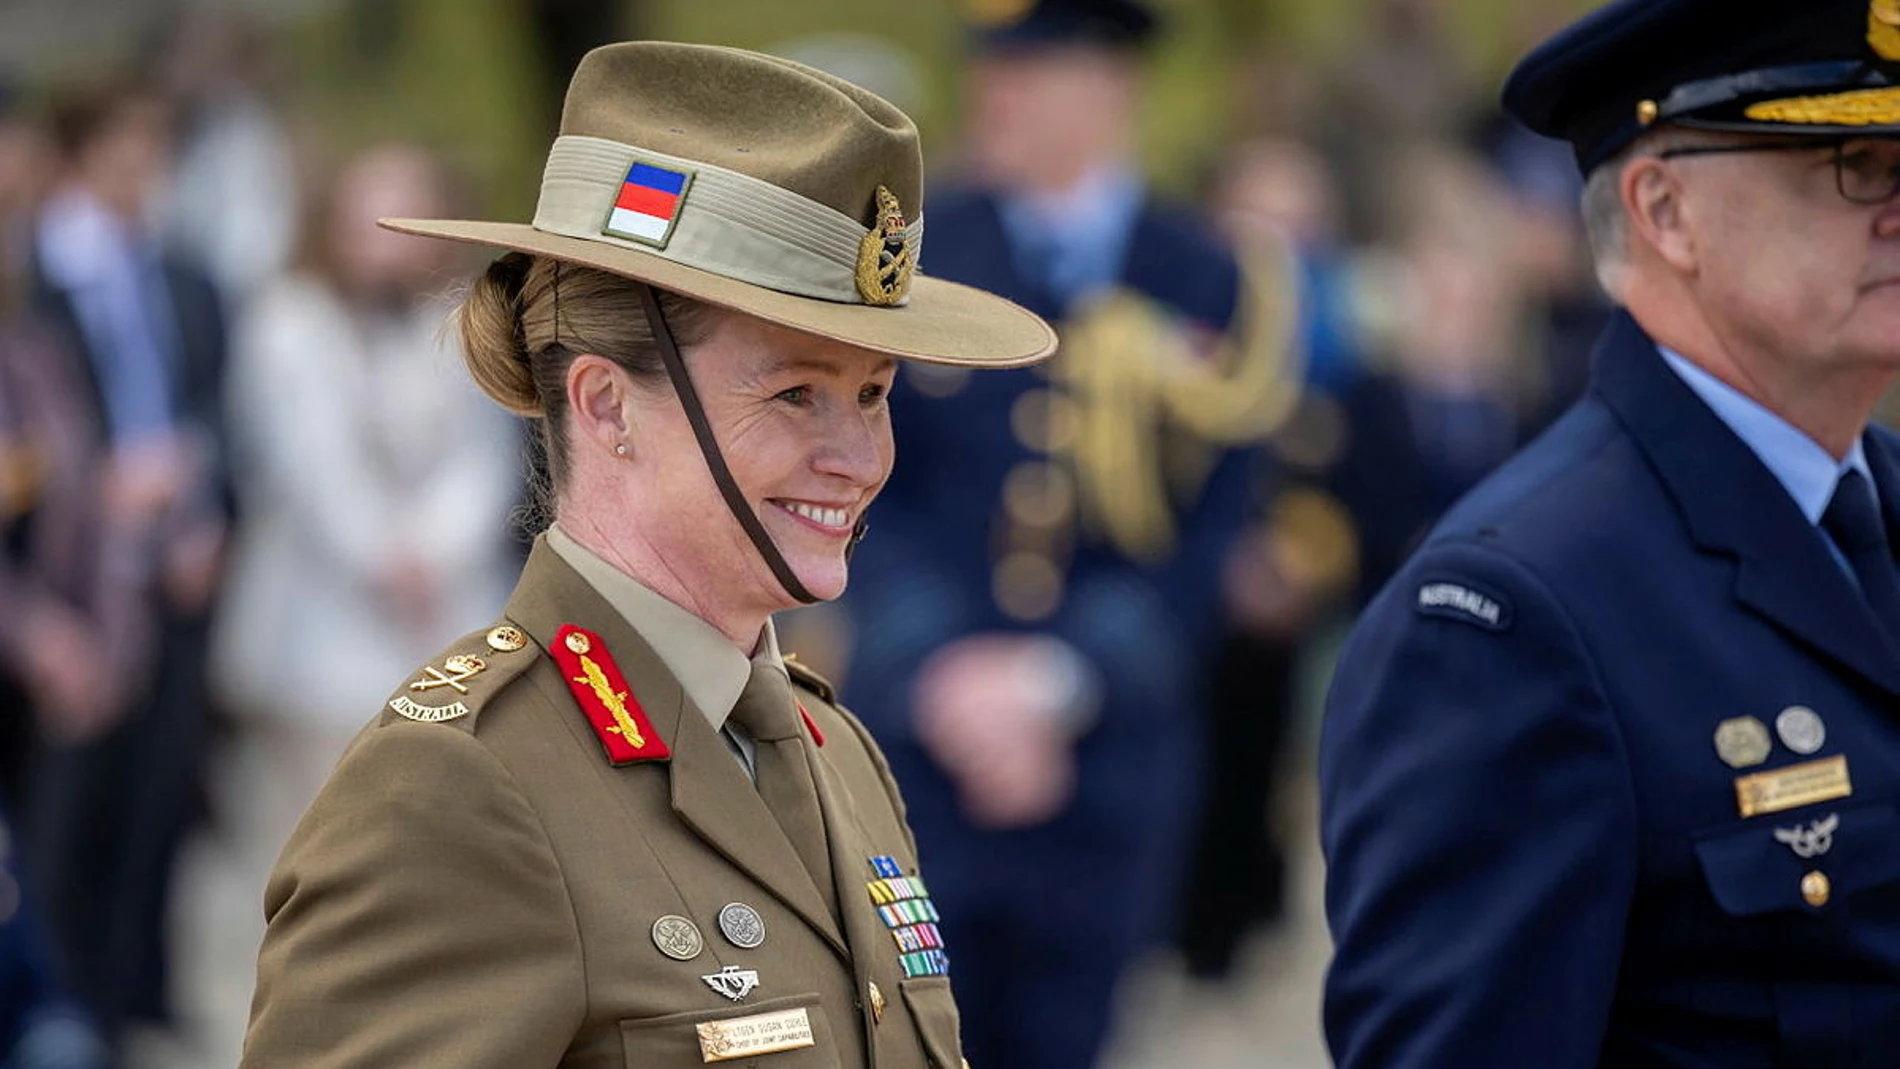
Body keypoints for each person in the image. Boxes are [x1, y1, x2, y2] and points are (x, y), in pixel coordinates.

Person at [239, 41, 1055, 1068]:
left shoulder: (833, 750)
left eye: (873, 394)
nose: (856, 458)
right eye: (795, 393)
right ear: (606, 403)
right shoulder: (456, 789)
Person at [1320, 0, 1900, 1063]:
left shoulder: (1876, 511)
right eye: (1855, 164)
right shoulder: (1506, 616)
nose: (1898, 208)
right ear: (1665, 211)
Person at [838, 1, 1296, 1065]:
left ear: (1113, 85)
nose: (997, 96)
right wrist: (949, 677)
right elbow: (861, 491)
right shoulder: (907, 262)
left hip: (1111, 750)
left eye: (1032, 70)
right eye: (991, 71)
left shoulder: (1208, 276)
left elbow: (1215, 521)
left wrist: (1056, 681)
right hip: (921, 744)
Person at [189, 142, 520, 1068]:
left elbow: (487, 458)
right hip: (316, 633)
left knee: (434, 860)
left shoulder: (466, 319)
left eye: (402, 226)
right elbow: (304, 461)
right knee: (317, 861)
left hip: (443, 623)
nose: (383, 251)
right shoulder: (287, 322)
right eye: (364, 227)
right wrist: (380, 551)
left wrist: (432, 548)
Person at [27, 76, 230, 1043]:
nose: (141, 167)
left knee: (161, 794)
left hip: (175, 568)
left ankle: (134, 984)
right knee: (67, 809)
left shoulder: (188, 277)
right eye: (122, 144)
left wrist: (199, 515)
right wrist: (101, 492)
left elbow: (212, 412)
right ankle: (65, 1006)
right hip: (69, 578)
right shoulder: (32, 275)